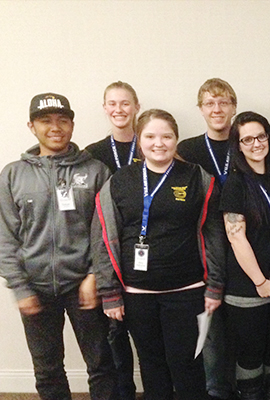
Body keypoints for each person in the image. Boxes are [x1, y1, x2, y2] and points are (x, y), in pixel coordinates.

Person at [92, 109, 226, 400]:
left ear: (176, 139)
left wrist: (215, 286)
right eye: (151, 136)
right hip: (136, 293)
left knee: (187, 363)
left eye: (167, 136)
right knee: (152, 365)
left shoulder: (197, 178)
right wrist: (109, 292)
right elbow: (103, 238)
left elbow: (213, 235)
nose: (159, 143)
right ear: (140, 140)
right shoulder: (118, 181)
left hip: (187, 290)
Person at [0, 93, 117, 399]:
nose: (55, 127)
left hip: (84, 286)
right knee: (47, 369)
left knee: (102, 364)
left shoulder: (95, 171)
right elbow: (5, 236)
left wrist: (94, 275)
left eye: (62, 120)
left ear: (72, 125)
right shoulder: (13, 174)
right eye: (46, 120)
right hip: (34, 287)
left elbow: (105, 231)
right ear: (31, 126)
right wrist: (20, 287)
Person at [221, 111, 270, 400]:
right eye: (247, 139)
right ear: (238, 146)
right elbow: (235, 235)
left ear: (269, 138)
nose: (256, 143)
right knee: (250, 356)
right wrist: (259, 280)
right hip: (247, 289)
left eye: (261, 136)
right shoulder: (235, 184)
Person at [177, 77, 238, 400]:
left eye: (223, 102)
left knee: (243, 330)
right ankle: (215, 390)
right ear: (200, 109)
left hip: (245, 251)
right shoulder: (186, 150)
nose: (217, 109)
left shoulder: (246, 141)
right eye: (210, 103)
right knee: (210, 333)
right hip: (203, 252)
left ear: (233, 107)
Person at [86, 80, 141, 400]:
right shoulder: (92, 154)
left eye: (125, 103)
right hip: (109, 257)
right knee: (114, 340)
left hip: (144, 257)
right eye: (112, 103)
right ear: (105, 108)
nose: (119, 110)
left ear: (136, 107)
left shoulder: (151, 145)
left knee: (148, 339)